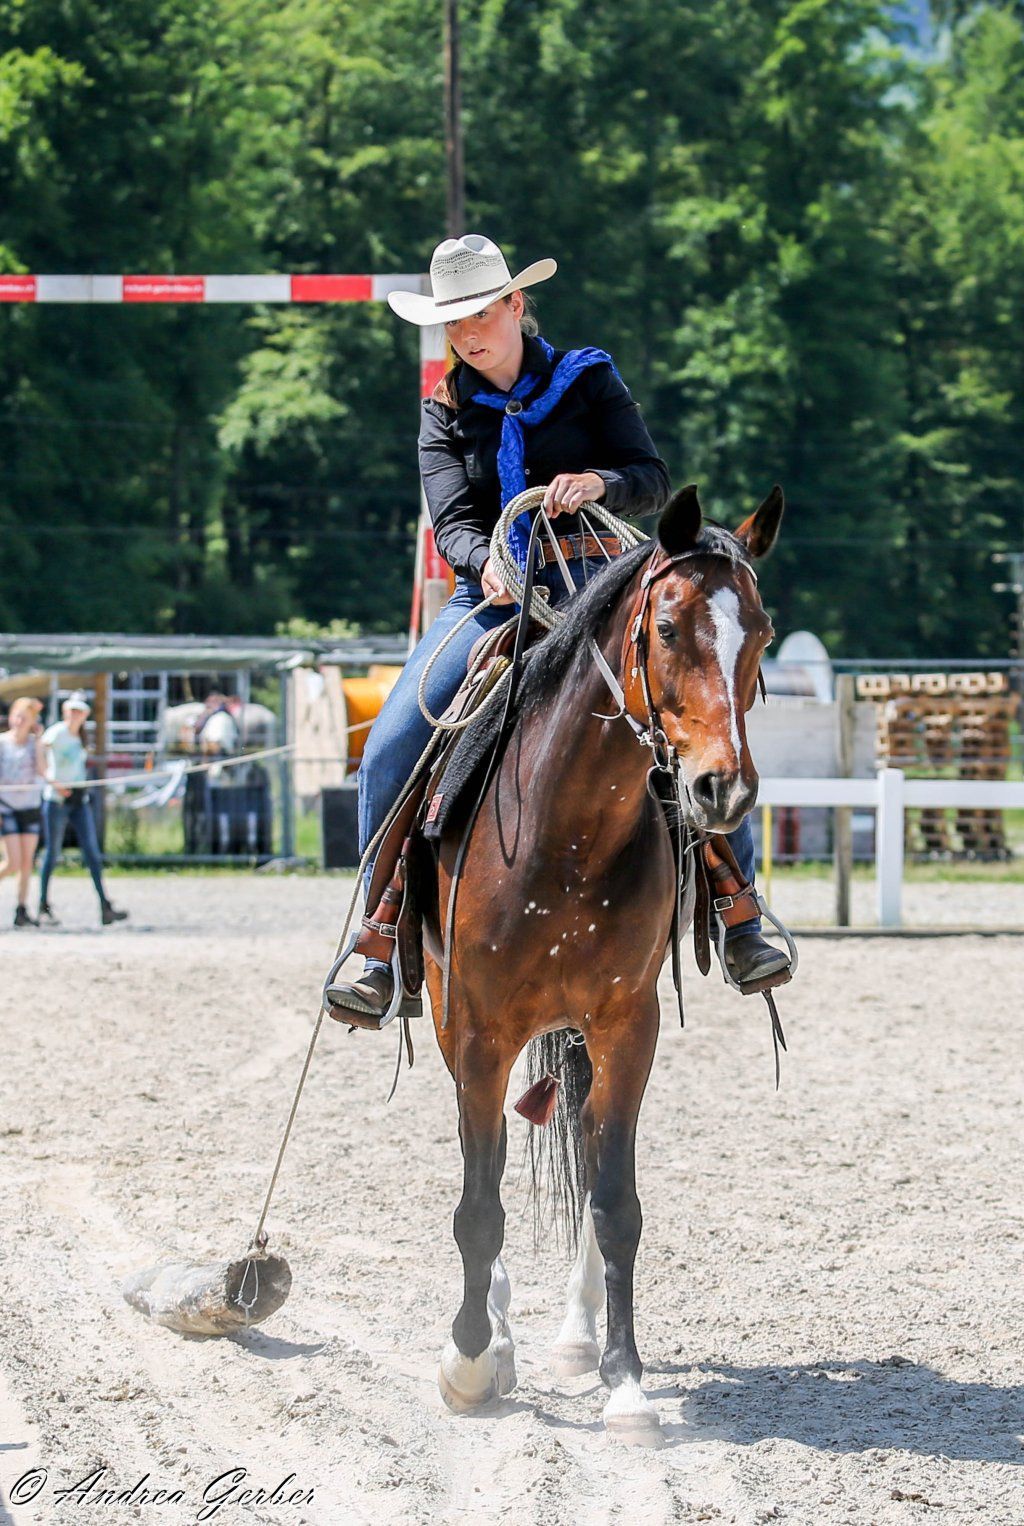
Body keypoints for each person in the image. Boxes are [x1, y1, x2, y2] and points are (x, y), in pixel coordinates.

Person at [327, 234, 789, 1022]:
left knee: (699, 707)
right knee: (389, 746)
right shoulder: (442, 414)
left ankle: (737, 907)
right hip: (493, 598)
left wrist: (599, 479)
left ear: (515, 305)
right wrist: (487, 564)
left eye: (480, 312)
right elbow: (453, 522)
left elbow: (651, 478)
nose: (468, 332)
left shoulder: (588, 377)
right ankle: (379, 939)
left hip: (603, 582)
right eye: (453, 322)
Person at [38, 691, 128, 928]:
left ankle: (104, 905)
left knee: (92, 852)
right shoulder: (56, 732)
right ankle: (42, 905)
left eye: (79, 711)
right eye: (71, 710)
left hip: (79, 799)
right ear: (66, 712)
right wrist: (52, 781)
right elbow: (40, 753)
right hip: (57, 799)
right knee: (52, 853)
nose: (75, 715)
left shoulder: (81, 737)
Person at [0, 695, 45, 927]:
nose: (19, 721)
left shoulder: (34, 744)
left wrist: (38, 741)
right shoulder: (1, 743)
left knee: (27, 863)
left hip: (29, 807)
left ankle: (21, 909)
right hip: (6, 807)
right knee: (12, 863)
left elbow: (42, 771)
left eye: (25, 718)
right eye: (17, 716)